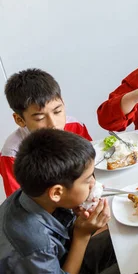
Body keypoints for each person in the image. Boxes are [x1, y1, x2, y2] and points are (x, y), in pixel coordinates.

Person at [0, 129, 138, 274]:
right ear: (56, 192)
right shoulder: (32, 242)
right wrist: (82, 235)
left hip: (55, 272)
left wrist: (77, 223)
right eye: (88, 180)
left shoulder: (32, 197)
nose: (94, 183)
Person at [0, 69, 91, 197]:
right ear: (20, 120)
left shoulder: (75, 126)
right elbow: (18, 203)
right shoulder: (12, 153)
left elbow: (90, 167)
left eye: (57, 111)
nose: (53, 124)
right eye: (40, 118)